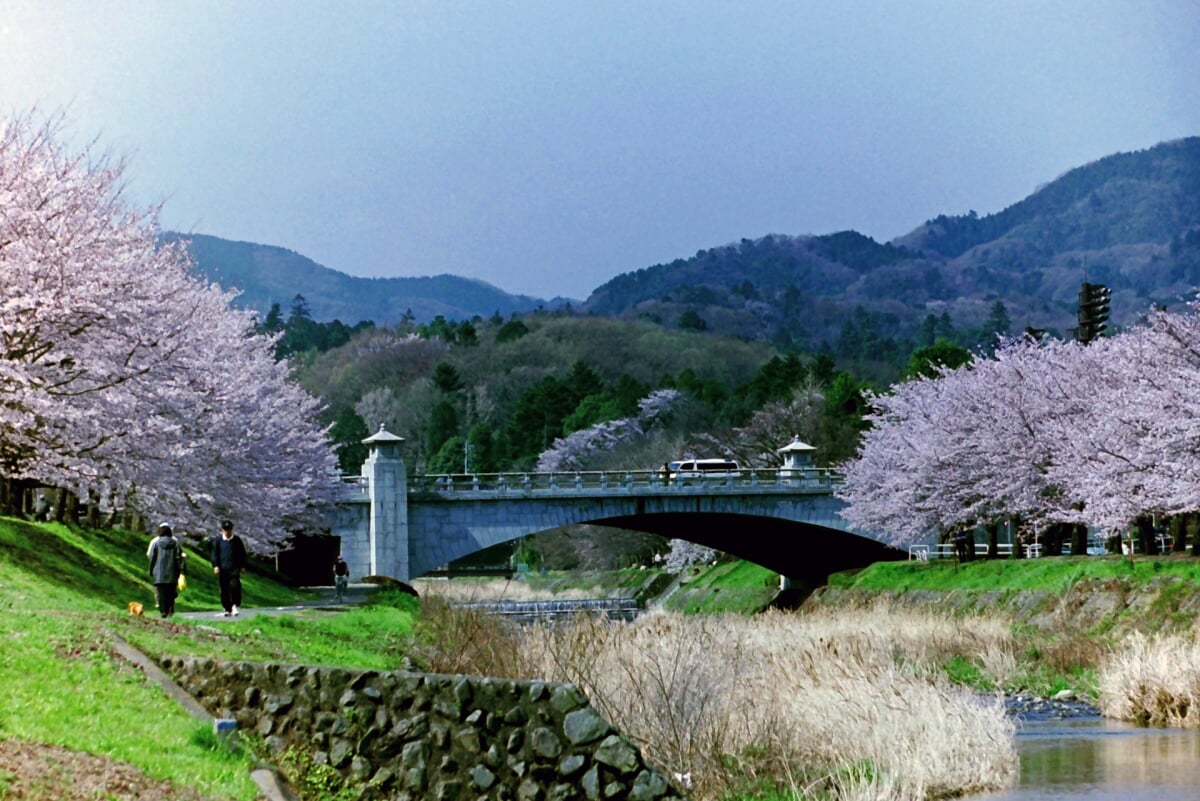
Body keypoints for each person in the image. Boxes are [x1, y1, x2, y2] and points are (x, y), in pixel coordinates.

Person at [210, 519, 247, 617]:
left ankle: (235, 605)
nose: (227, 532)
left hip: (234, 568)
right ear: (222, 530)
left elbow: (242, 554)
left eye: (229, 529)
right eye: (225, 530)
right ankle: (227, 607)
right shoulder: (218, 541)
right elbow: (215, 554)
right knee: (224, 589)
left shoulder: (237, 540)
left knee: (235, 586)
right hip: (223, 569)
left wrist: (243, 565)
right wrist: (215, 565)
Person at [147, 523, 184, 618]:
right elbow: (179, 558)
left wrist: (151, 570)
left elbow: (152, 557)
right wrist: (181, 571)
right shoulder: (175, 544)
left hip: (159, 572)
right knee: (171, 592)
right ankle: (170, 610)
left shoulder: (156, 544)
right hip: (172, 572)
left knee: (161, 593)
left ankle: (163, 611)